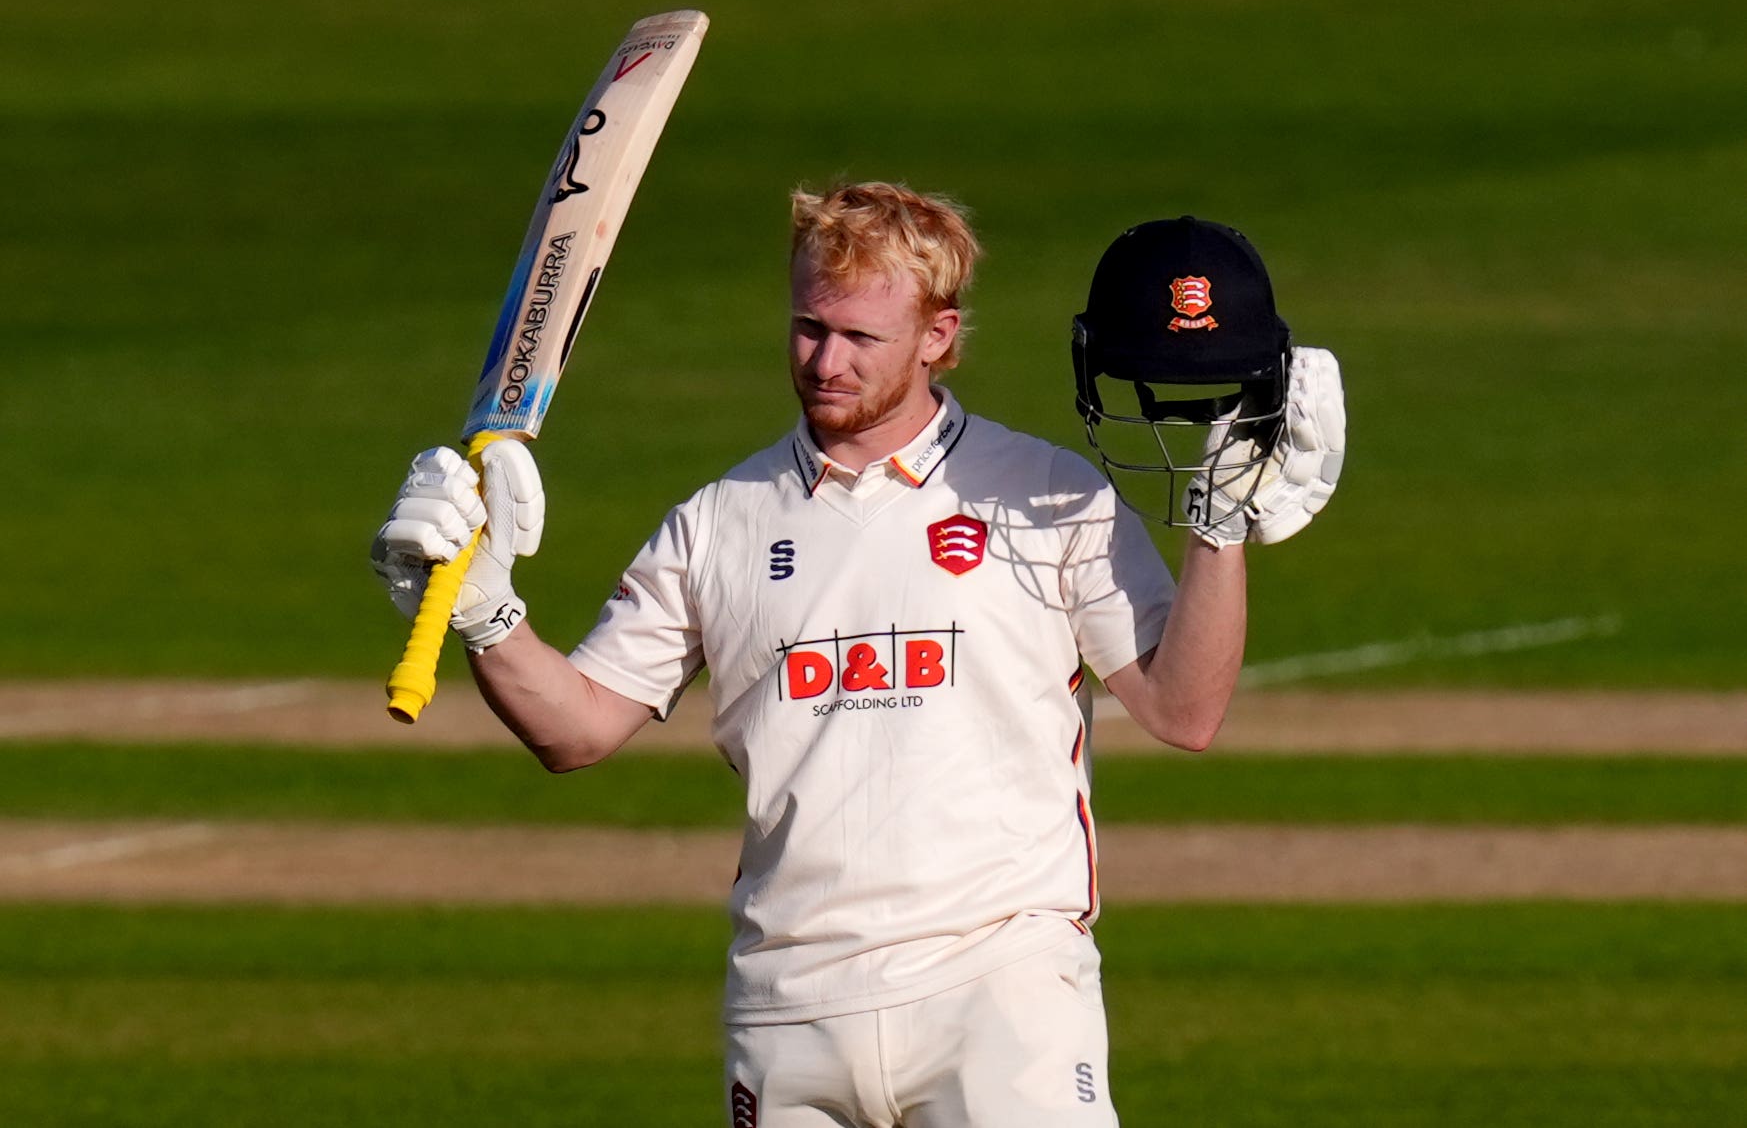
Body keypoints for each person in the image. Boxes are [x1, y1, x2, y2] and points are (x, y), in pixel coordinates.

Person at [372, 183, 1344, 1126]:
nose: (825, 361)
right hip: (789, 1008)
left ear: (939, 337)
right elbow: (574, 729)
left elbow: (1185, 710)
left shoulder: (1051, 497)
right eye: (808, 327)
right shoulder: (720, 522)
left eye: (860, 338)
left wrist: (1218, 531)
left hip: (998, 992)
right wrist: (485, 608)